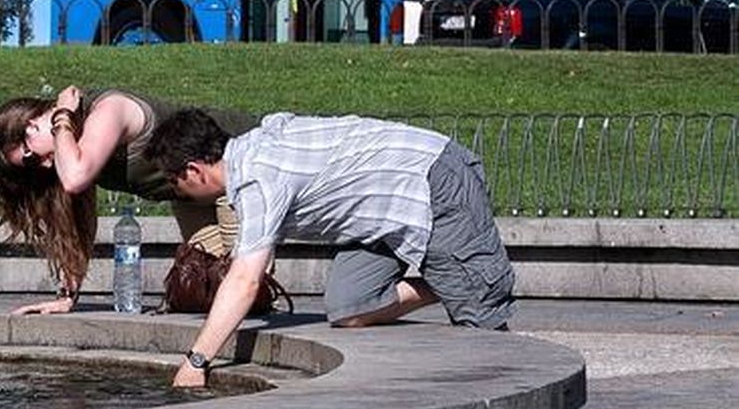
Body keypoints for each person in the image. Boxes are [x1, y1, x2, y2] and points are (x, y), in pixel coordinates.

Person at [144, 110, 515, 388]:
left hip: (433, 179)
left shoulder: (257, 176)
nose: (176, 192)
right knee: (349, 306)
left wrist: (196, 361)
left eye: (174, 182)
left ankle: (469, 287)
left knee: (484, 336)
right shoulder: (253, 148)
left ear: (194, 171)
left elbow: (245, 282)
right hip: (379, 218)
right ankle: (451, 282)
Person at [0, 87, 258, 315]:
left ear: (32, 125)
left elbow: (76, 177)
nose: (41, 166)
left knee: (243, 292)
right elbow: (75, 225)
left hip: (236, 171)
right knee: (207, 294)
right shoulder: (70, 151)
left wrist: (61, 116)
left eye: (31, 156)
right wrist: (66, 297)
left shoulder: (108, 109)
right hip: (191, 195)